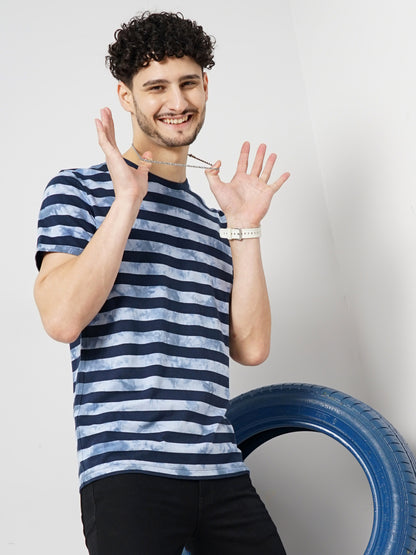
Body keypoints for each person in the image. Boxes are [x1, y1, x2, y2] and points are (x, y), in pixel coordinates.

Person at [34, 11, 289, 555]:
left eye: (188, 82)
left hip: (219, 469)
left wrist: (244, 228)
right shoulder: (77, 191)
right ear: (126, 97)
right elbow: (61, 318)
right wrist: (127, 200)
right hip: (128, 473)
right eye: (156, 86)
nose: (177, 101)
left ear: (205, 85)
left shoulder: (208, 217)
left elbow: (251, 346)